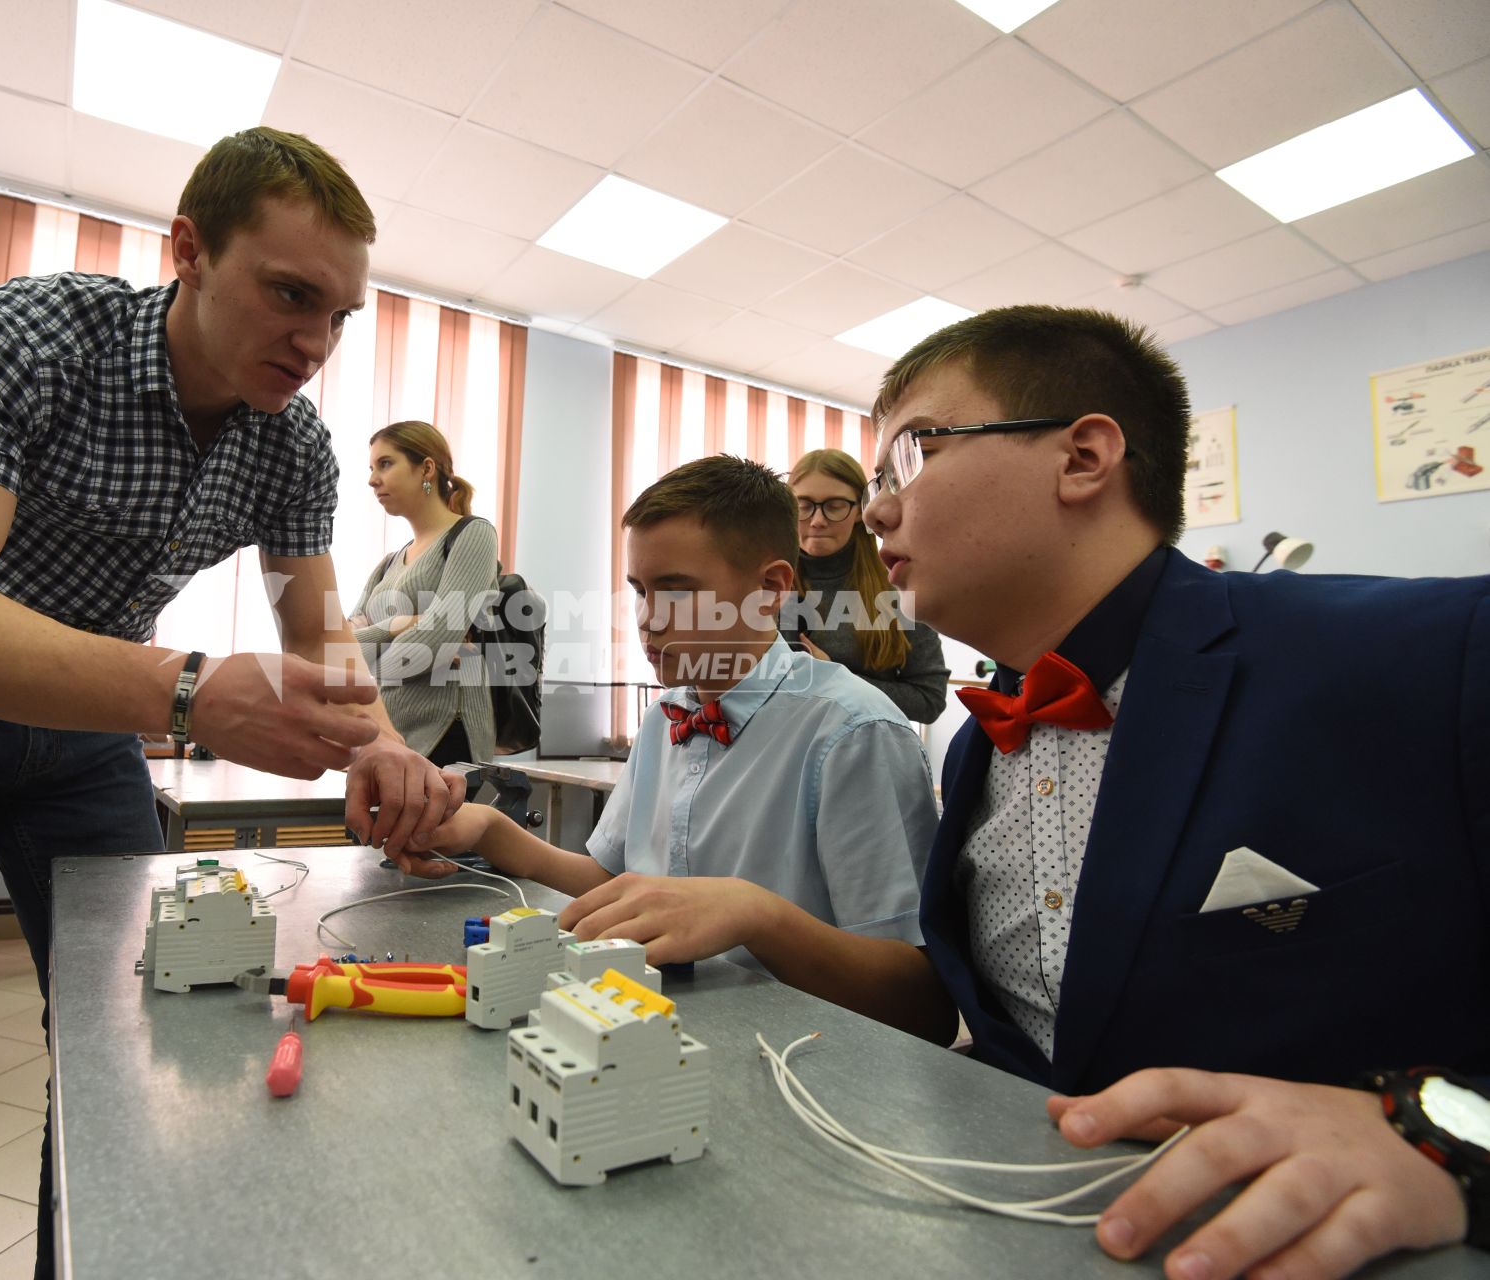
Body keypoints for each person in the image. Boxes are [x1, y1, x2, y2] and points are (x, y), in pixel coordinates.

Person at [0, 127, 465, 1279]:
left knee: (123, 1046)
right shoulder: (27, 337)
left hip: (87, 718)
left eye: (341, 314)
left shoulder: (291, 444)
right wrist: (190, 689)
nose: (315, 342)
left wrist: (390, 749)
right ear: (190, 250)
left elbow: (318, 633)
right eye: (290, 294)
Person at [738, 304, 1485, 1276]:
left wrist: (1444, 1138)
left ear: (1084, 457)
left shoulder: (1426, 655)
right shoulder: (975, 752)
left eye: (909, 459)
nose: (876, 511)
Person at [395, 455, 946, 1041]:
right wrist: (488, 831)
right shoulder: (666, 715)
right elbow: (616, 882)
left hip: (797, 1062)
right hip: (660, 1037)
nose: (648, 621)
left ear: (771, 588)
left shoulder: (851, 732)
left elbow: (918, 1006)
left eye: (678, 593)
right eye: (639, 590)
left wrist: (756, 915)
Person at [351, 421, 498, 767]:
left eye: (385, 464)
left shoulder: (472, 535)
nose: (373, 479)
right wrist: (397, 625)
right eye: (372, 468)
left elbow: (433, 642)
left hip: (448, 735)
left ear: (426, 469)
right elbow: (343, 652)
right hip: (390, 738)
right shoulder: (388, 565)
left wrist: (375, 659)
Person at [783, 448, 949, 722]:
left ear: (861, 510)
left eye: (834, 506)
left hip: (864, 753)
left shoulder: (899, 588)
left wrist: (835, 677)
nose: (817, 520)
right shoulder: (763, 585)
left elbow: (929, 700)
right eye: (804, 505)